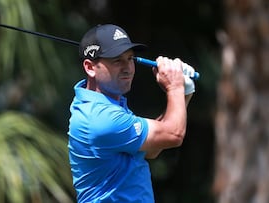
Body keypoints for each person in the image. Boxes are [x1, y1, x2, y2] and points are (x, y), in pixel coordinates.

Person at [68, 24, 195, 203]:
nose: (128, 67)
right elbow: (173, 134)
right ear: (90, 67)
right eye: (117, 61)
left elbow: (152, 149)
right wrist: (174, 86)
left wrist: (184, 93)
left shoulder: (109, 104)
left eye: (130, 58)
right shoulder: (99, 117)